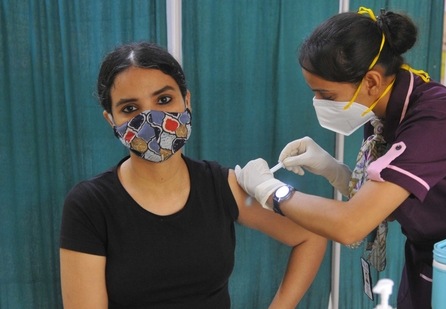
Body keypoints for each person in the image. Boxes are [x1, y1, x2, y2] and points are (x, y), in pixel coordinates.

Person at [235, 7, 446, 309]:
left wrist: (270, 190)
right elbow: (384, 205)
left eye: (327, 96)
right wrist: (334, 170)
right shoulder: (383, 114)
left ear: (371, 81)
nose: (318, 104)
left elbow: (351, 224)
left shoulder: (435, 122)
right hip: (427, 259)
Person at [59, 42, 327, 309]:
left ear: (186, 101)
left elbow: (311, 235)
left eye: (164, 100)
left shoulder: (221, 186)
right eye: (130, 109)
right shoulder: (91, 205)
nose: (152, 118)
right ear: (111, 120)